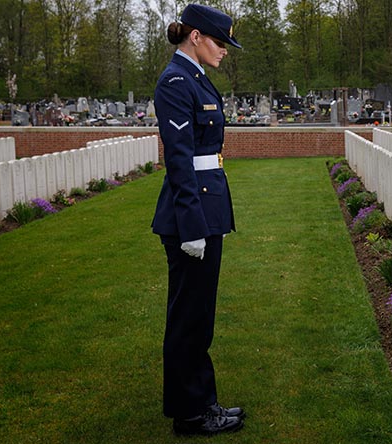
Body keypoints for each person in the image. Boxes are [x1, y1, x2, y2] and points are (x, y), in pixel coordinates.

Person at [151, 3, 244, 436]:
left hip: (208, 208)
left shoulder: (196, 78)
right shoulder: (175, 82)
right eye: (219, 41)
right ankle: (190, 413)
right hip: (192, 213)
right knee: (189, 316)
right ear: (196, 37)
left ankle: (201, 401)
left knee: (199, 314)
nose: (224, 50)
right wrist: (191, 226)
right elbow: (179, 159)